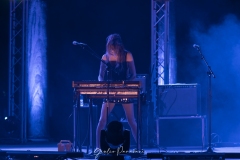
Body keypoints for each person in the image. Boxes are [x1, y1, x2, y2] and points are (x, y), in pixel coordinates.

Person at [96, 33, 137, 149]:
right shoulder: (105, 57)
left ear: (119, 46)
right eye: (110, 47)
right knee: (102, 120)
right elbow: (100, 75)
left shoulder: (127, 55)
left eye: (114, 47)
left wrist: (126, 85)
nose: (112, 50)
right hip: (110, 91)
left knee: (131, 120)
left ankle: (139, 146)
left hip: (124, 90)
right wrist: (102, 84)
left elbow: (134, 74)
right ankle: (98, 148)